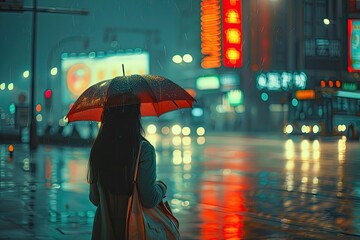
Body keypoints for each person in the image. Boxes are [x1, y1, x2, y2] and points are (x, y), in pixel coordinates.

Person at [87, 104, 167, 240]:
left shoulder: (98, 149)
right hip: (133, 231)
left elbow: (95, 199)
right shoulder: (143, 150)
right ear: (135, 117)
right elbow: (149, 199)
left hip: (104, 232)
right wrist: (162, 187)